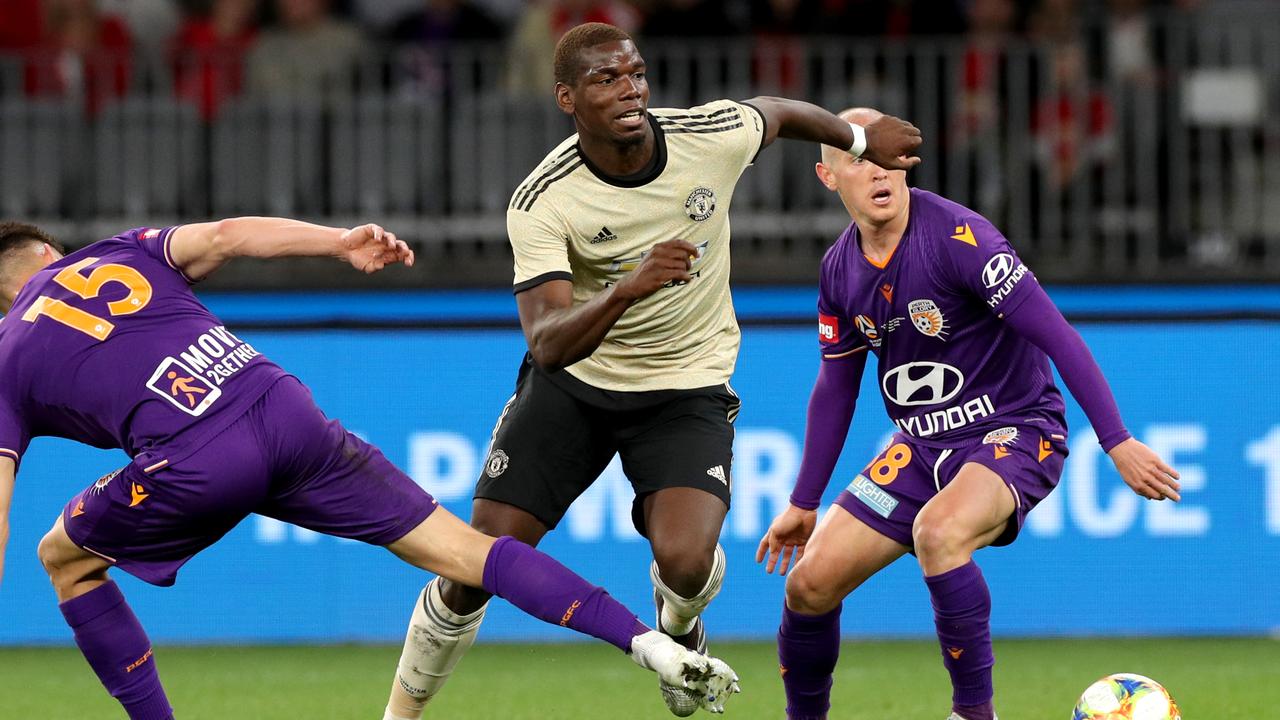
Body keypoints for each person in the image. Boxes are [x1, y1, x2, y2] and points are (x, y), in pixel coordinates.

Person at [383, 22, 924, 720]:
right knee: (471, 564)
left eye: (635, 72)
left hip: (685, 387)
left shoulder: (708, 136)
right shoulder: (544, 199)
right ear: (567, 98)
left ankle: (678, 631)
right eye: (607, 79)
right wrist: (627, 289)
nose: (630, 88)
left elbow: (781, 113)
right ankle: (399, 715)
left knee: (687, 562)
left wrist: (856, 142)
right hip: (573, 389)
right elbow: (547, 344)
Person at [0, 217, 740, 720]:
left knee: (63, 560)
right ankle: (649, 643)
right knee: (469, 554)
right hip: (279, 402)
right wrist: (338, 241)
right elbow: (226, 235)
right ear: (47, 254)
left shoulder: (7, 353)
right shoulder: (119, 252)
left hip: (195, 456)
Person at [755, 107, 1183, 720]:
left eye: (886, 159)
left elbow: (1057, 334)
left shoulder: (960, 239)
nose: (877, 173)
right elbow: (836, 388)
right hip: (921, 447)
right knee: (808, 585)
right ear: (829, 177)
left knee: (940, 533)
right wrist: (803, 501)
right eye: (857, 159)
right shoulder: (838, 269)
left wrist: (1116, 440)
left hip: (1014, 429)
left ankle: (975, 715)